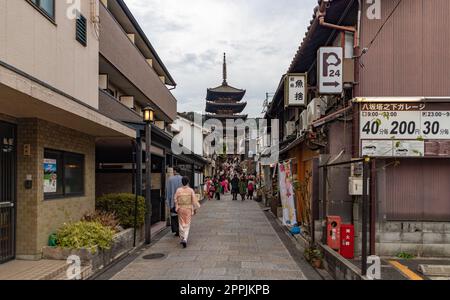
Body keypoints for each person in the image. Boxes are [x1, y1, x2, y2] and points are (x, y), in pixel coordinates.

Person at [174, 176, 201, 248]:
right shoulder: (190, 190)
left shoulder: (178, 190)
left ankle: (182, 237)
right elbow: (194, 200)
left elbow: (175, 199)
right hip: (188, 208)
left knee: (181, 222)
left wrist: (177, 207)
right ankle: (185, 238)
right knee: (187, 223)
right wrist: (195, 208)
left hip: (180, 208)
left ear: (182, 182)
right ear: (188, 182)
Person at [166, 166, 183, 237]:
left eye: (173, 171)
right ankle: (181, 229)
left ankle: (176, 230)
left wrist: (168, 202)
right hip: (182, 201)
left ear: (175, 171)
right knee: (181, 216)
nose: (173, 172)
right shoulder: (183, 178)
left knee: (174, 216)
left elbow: (168, 191)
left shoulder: (170, 179)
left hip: (173, 201)